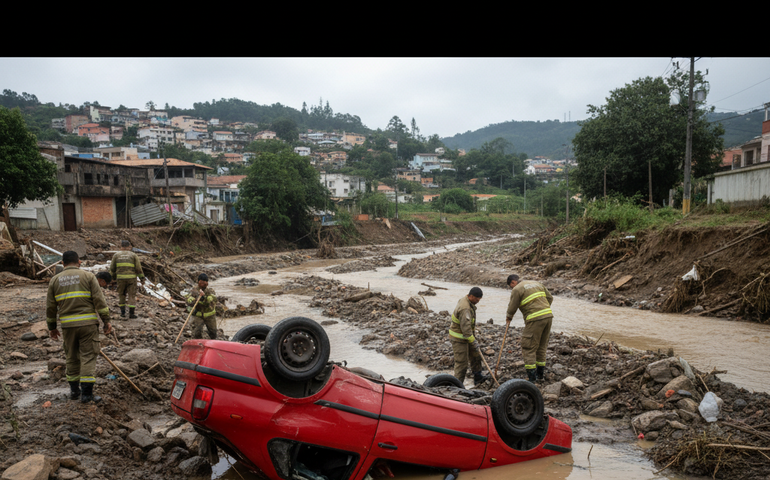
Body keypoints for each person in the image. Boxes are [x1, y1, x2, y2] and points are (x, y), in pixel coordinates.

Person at [46, 251, 112, 403]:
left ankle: (74, 391)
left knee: (71, 357)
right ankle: (87, 395)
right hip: (88, 324)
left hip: (68, 326)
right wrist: (106, 320)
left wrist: (52, 327)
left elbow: (50, 307)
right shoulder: (88, 277)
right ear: (79, 262)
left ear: (62, 263)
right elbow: (99, 301)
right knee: (88, 357)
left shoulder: (55, 280)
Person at [505, 274, 554, 383]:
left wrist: (509, 317)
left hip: (534, 319)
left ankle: (532, 379)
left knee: (528, 347)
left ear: (513, 282)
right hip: (548, 316)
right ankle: (540, 375)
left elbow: (513, 305)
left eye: (511, 286)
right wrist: (543, 309)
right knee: (541, 346)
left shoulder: (517, 289)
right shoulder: (536, 283)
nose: (512, 288)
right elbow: (550, 298)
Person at [449, 286, 488, 386]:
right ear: (470, 296)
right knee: (462, 363)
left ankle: (478, 377)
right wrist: (474, 342)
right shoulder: (465, 308)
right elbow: (466, 330)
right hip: (459, 338)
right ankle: (457, 385)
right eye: (476, 298)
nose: (478, 301)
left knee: (476, 356)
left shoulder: (467, 301)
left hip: (467, 336)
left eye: (479, 299)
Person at [110, 240, 145, 318]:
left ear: (121, 246)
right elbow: (138, 268)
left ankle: (122, 313)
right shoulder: (133, 255)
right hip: (131, 279)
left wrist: (113, 278)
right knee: (131, 295)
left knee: (121, 295)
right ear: (129, 246)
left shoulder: (116, 255)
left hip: (120, 278)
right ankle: (131, 314)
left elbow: (112, 268)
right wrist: (142, 278)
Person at [186, 273, 218, 340]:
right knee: (197, 332)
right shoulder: (194, 290)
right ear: (198, 282)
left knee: (213, 332)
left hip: (210, 315)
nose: (204, 284)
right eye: (202, 282)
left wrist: (204, 297)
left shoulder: (210, 291)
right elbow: (189, 300)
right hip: (198, 315)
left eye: (205, 282)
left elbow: (211, 300)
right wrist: (196, 299)